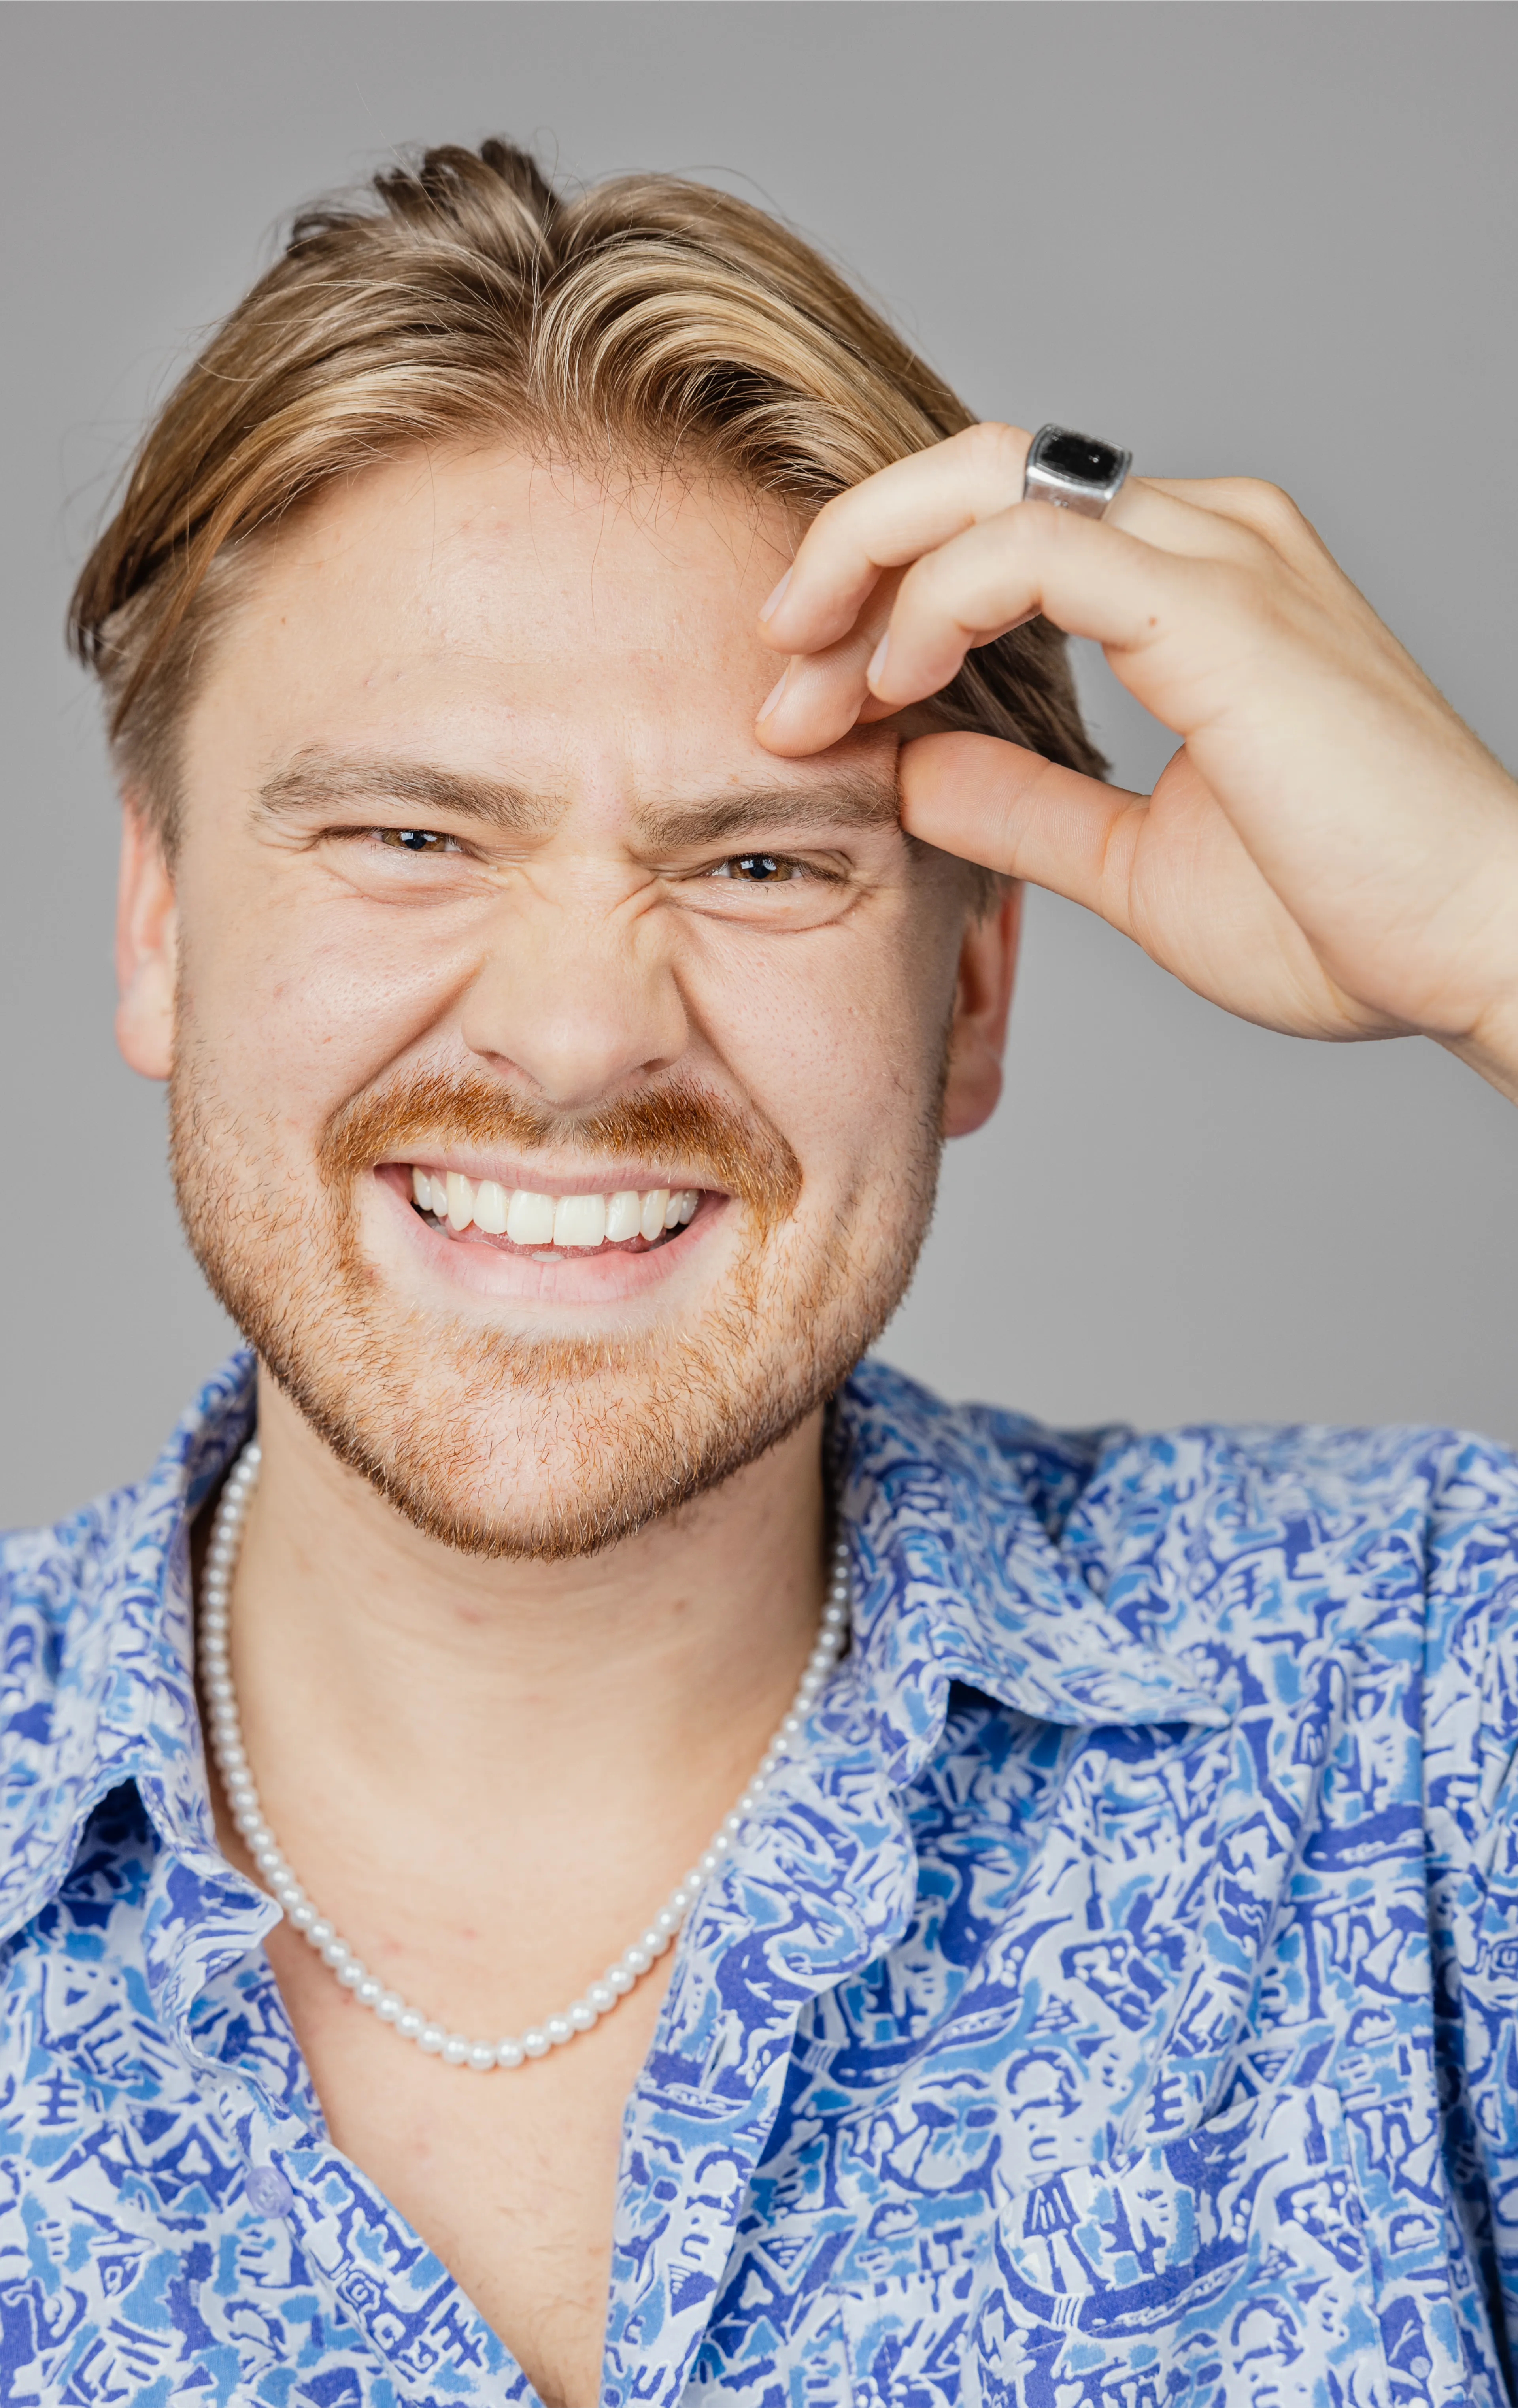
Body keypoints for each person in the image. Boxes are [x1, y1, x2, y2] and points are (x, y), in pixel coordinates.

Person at [3, 134, 1516, 2408]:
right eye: (412, 835)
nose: (579, 1030)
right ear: (159, 919)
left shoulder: (1419, 1710)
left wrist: (1505, 940)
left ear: (976, 992)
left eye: (761, 859)